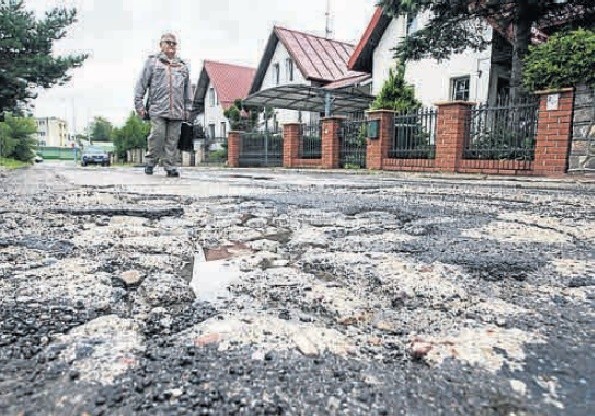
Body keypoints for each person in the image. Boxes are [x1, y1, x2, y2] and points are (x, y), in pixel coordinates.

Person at [134, 33, 193, 177]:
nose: (171, 45)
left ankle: (170, 166)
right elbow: (142, 83)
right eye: (168, 42)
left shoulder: (182, 66)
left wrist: (188, 108)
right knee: (157, 136)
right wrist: (139, 104)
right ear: (161, 45)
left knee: (172, 140)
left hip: (177, 110)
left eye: (174, 43)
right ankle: (151, 161)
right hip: (157, 109)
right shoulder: (153, 62)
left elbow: (188, 90)